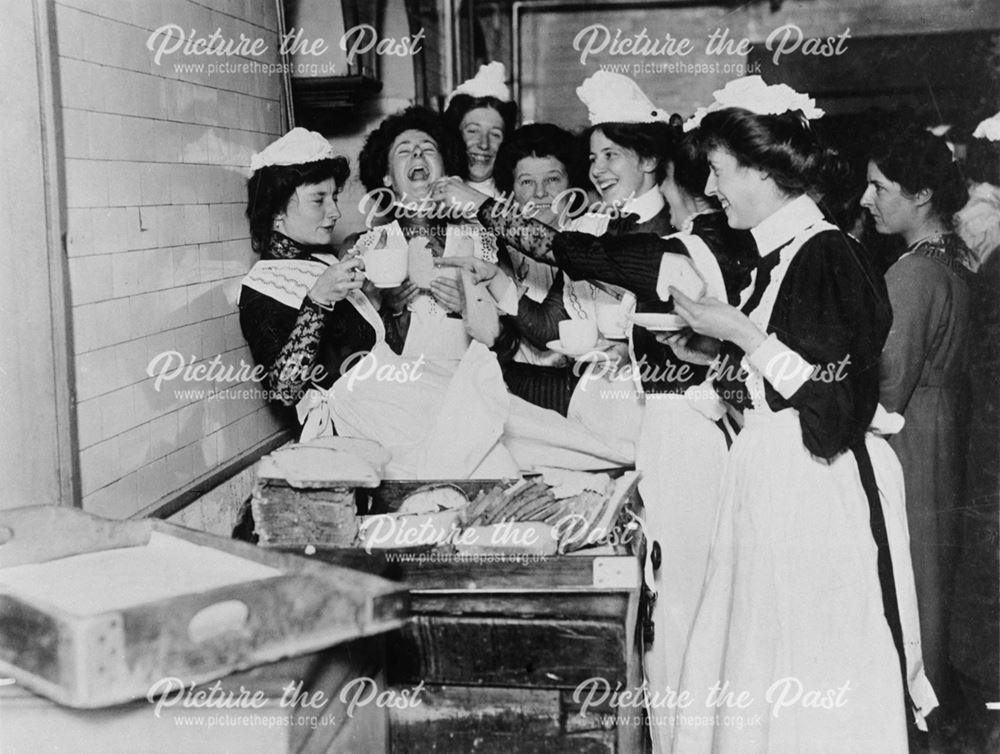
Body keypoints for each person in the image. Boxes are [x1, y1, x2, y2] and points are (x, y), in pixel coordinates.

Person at [664, 77, 934, 753]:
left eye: (721, 172)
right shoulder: (781, 257)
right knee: (765, 661)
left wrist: (744, 336)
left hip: (814, 494)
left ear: (764, 171)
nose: (713, 188)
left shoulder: (826, 255)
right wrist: (713, 353)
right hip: (776, 483)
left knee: (809, 671)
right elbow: (780, 388)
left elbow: (837, 405)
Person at [861, 127, 973, 711]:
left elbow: (887, 383)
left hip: (911, 431)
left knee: (913, 567)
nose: (866, 198)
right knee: (935, 564)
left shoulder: (911, 274)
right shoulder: (953, 258)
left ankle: (914, 707)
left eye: (880, 187)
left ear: (921, 194)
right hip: (944, 425)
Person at [238, 128, 381, 430]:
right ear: (276, 210)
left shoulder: (323, 260)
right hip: (354, 424)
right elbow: (284, 390)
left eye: (334, 198)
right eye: (319, 200)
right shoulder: (263, 287)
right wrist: (317, 301)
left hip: (383, 405)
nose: (335, 213)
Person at [356, 105, 517, 361]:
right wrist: (388, 310)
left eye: (428, 148)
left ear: (446, 170)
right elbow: (351, 350)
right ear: (386, 177)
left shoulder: (483, 242)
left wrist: (472, 308)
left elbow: (512, 345)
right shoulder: (366, 247)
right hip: (398, 391)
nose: (418, 152)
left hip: (468, 387)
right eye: (404, 151)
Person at [490, 122, 585, 413]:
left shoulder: (591, 237)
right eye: (527, 182)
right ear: (511, 190)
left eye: (553, 179)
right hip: (516, 394)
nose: (541, 193)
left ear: (572, 183)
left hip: (584, 392)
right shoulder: (495, 249)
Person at [443, 62, 518, 198]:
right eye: (473, 131)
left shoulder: (517, 195)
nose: (484, 144)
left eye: (495, 134)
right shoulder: (433, 190)